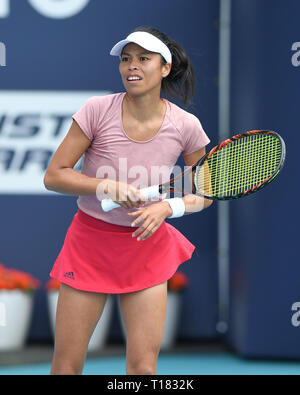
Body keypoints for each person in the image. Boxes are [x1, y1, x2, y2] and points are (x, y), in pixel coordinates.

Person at [44, 26, 212, 375]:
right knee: (66, 366)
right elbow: (55, 174)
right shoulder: (95, 110)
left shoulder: (186, 126)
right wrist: (105, 187)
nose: (131, 66)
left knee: (142, 369)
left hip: (147, 246)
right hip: (90, 243)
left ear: (164, 68)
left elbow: (204, 192)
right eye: (125, 59)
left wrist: (169, 206)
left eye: (143, 58)